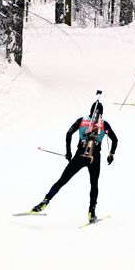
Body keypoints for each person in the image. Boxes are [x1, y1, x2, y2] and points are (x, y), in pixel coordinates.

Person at [31, 93, 118, 222]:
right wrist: (111, 154)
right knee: (94, 185)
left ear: (90, 110)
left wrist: (68, 152)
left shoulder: (82, 120)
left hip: (80, 154)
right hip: (95, 157)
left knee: (63, 180)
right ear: (102, 113)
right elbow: (115, 140)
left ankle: (45, 201)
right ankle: (91, 212)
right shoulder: (104, 124)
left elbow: (68, 133)